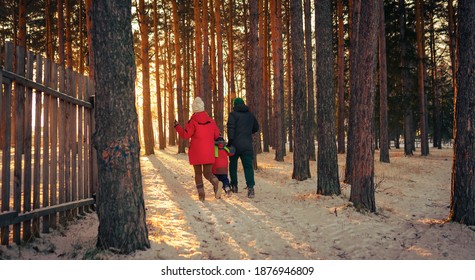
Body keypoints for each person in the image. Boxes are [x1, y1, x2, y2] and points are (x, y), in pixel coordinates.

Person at [174, 97, 223, 201]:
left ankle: (201, 196)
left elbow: (186, 135)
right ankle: (216, 182)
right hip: (209, 152)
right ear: (203, 107)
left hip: (196, 152)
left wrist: (177, 127)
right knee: (208, 173)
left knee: (198, 174)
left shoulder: (193, 121)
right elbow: (217, 135)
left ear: (194, 109)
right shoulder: (211, 121)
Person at [226, 97, 259, 198]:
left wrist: (230, 142)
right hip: (247, 145)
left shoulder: (232, 115)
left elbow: (230, 129)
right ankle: (251, 188)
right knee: (248, 167)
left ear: (234, 105)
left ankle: (234, 185)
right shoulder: (250, 115)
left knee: (233, 166)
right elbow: (256, 128)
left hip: (235, 145)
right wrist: (248, 132)